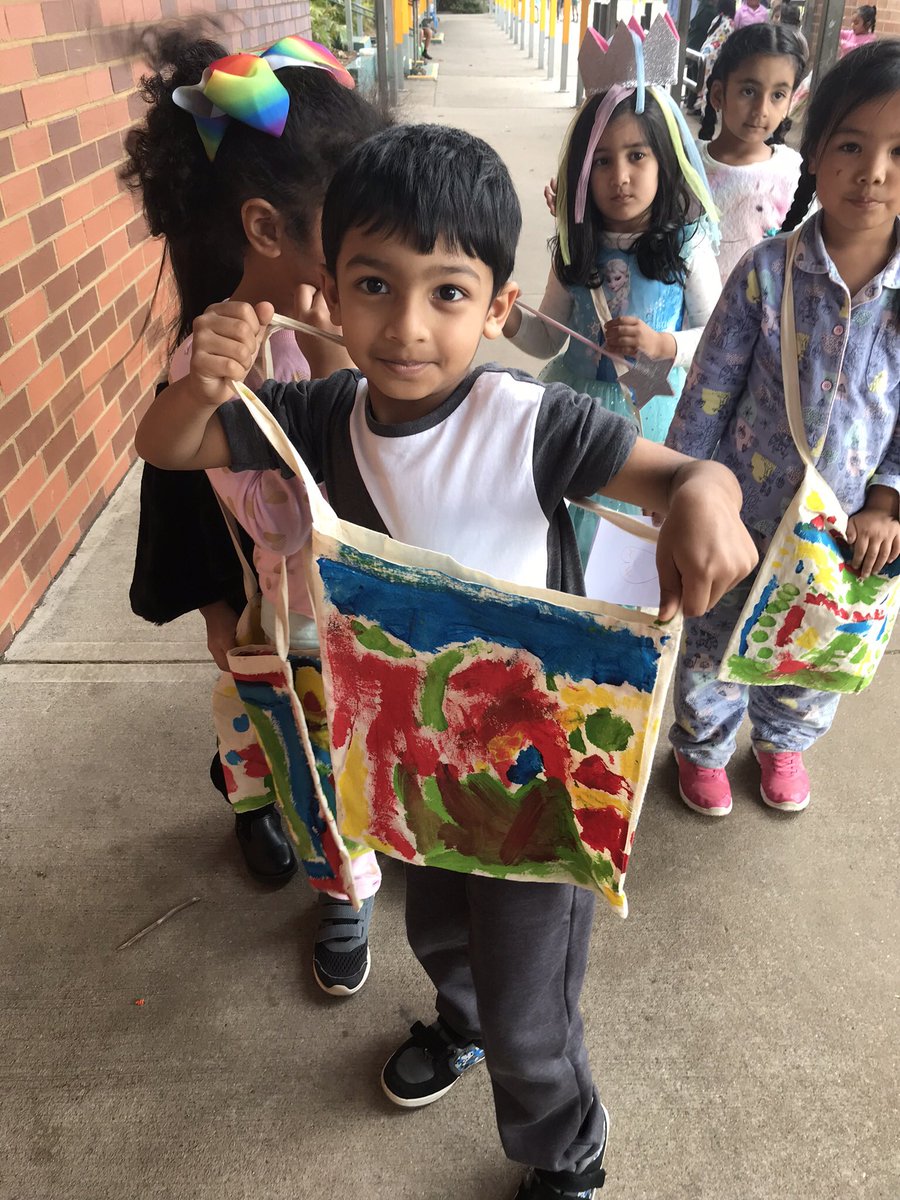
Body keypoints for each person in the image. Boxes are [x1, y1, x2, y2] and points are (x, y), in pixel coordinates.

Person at [134, 123, 757, 1200]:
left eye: (448, 293)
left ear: (500, 307)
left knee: (533, 1005)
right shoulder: (325, 414)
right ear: (330, 289)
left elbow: (684, 479)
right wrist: (202, 380)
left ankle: (565, 1146)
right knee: (435, 927)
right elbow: (172, 447)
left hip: (532, 775)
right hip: (406, 762)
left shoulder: (535, 425)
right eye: (375, 284)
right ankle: (461, 1021)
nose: (408, 326)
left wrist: (710, 503)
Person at [122, 24, 388, 994]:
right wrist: (215, 615)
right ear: (268, 231)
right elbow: (169, 461)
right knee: (271, 740)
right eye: (351, 226)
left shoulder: (365, 330)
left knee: (337, 758)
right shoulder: (220, 352)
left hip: (353, 609)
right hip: (268, 616)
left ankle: (338, 879)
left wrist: (338, 342)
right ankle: (287, 843)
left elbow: (377, 463)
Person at [665, 39, 900, 819]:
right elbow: (709, 391)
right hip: (740, 514)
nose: (873, 171)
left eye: (899, 152)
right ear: (817, 148)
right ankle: (700, 747)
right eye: (853, 146)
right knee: (711, 639)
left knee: (812, 648)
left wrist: (888, 503)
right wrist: (680, 491)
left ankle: (783, 741)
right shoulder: (766, 270)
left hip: (845, 534)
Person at [507, 84, 721, 557]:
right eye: (601, 161)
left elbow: (718, 336)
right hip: (577, 409)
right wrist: (507, 319)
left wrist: (664, 344)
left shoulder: (687, 244)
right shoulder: (575, 246)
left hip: (654, 406)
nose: (620, 176)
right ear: (581, 172)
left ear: (665, 161)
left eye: (637, 156)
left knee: (635, 538)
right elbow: (547, 337)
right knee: (574, 531)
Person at [697, 24, 806, 282]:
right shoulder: (687, 163)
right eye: (749, 91)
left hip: (762, 318)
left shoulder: (794, 172)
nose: (762, 109)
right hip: (693, 320)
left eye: (778, 95)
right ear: (718, 95)